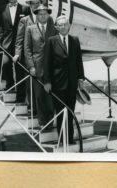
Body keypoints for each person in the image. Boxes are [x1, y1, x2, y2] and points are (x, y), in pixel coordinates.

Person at [44, 16, 85, 144]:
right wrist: (47, 81)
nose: (62, 27)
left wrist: (81, 78)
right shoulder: (51, 41)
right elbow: (47, 63)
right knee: (61, 111)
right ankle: (62, 138)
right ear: (56, 27)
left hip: (72, 83)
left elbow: (79, 61)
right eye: (60, 25)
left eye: (65, 24)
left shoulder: (75, 41)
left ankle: (70, 138)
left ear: (69, 25)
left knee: (71, 111)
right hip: (57, 83)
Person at [24, 4, 57, 129]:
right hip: (36, 67)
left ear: (48, 16)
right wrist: (31, 66)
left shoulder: (54, 29)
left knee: (50, 94)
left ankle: (50, 120)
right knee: (39, 95)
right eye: (40, 14)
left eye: (45, 14)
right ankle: (42, 122)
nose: (43, 16)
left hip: (51, 67)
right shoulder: (30, 29)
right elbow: (27, 49)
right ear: (36, 16)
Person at [0, 0, 30, 96]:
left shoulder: (25, 8)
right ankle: (10, 86)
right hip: (7, 42)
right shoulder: (2, 9)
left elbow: (29, 26)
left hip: (20, 43)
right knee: (5, 64)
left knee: (19, 69)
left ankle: (20, 93)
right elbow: (1, 27)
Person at [13, 0, 43, 113]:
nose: (35, 5)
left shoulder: (45, 18)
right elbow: (19, 39)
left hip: (42, 58)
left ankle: (42, 108)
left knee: (42, 84)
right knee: (30, 84)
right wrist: (17, 53)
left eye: (37, 3)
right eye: (33, 3)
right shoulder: (24, 20)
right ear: (29, 6)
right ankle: (32, 108)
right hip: (29, 57)